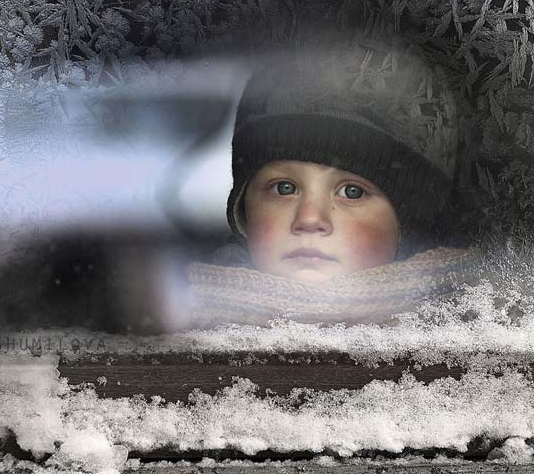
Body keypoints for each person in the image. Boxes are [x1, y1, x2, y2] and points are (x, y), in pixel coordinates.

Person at [176, 31, 483, 331]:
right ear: (243, 211)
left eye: (351, 192)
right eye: (285, 188)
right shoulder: (178, 330)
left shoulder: (480, 333)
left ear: (410, 224)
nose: (310, 220)